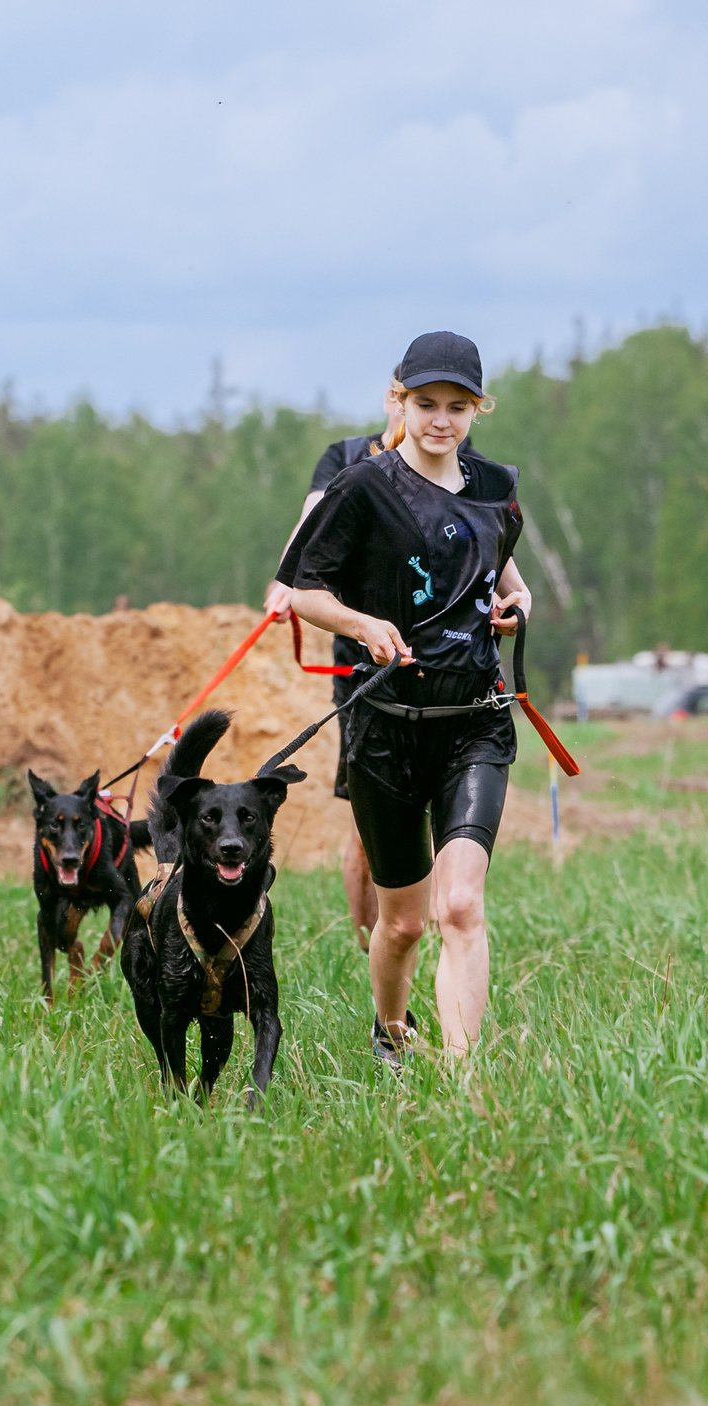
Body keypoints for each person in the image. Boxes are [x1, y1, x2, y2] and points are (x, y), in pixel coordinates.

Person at [281, 332, 533, 1064]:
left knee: (459, 907)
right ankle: (391, 1031)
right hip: (386, 728)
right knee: (403, 926)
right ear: (400, 401)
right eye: (426, 404)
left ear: (479, 409)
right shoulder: (363, 487)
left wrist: (515, 610)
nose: (441, 421)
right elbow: (303, 592)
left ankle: (461, 1083)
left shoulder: (495, 487)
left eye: (458, 407)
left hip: (474, 725)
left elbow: (512, 585)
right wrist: (364, 625)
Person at [265, 385, 410, 950]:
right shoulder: (347, 457)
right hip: (359, 663)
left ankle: (441, 929)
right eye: (413, 399)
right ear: (393, 399)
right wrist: (287, 580)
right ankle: (364, 943)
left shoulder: (460, 465)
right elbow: (312, 520)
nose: (421, 414)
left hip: (438, 662)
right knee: (365, 823)